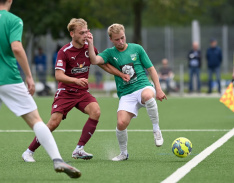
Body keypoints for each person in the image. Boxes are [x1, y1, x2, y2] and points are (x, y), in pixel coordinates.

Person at [22, 18, 129, 162]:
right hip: (66, 92)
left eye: (86, 32)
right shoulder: (64, 52)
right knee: (54, 123)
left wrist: (121, 74)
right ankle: (29, 152)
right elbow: (58, 75)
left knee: (95, 111)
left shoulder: (89, 49)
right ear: (72, 34)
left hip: (82, 93)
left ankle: (79, 149)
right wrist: (75, 80)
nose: (85, 35)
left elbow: (103, 65)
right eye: (81, 33)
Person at [0, 0, 80, 178]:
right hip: (8, 79)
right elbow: (16, 47)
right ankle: (57, 159)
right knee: (36, 120)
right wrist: (29, 76)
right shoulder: (13, 20)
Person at [87, 23, 167, 161]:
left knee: (148, 96)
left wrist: (158, 89)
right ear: (111, 39)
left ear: (125, 35)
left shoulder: (137, 48)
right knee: (121, 123)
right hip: (126, 94)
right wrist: (90, 42)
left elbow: (151, 69)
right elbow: (94, 60)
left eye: (122, 38)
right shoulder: (109, 53)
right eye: (117, 39)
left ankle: (156, 130)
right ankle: (124, 153)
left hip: (143, 86)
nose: (121, 41)